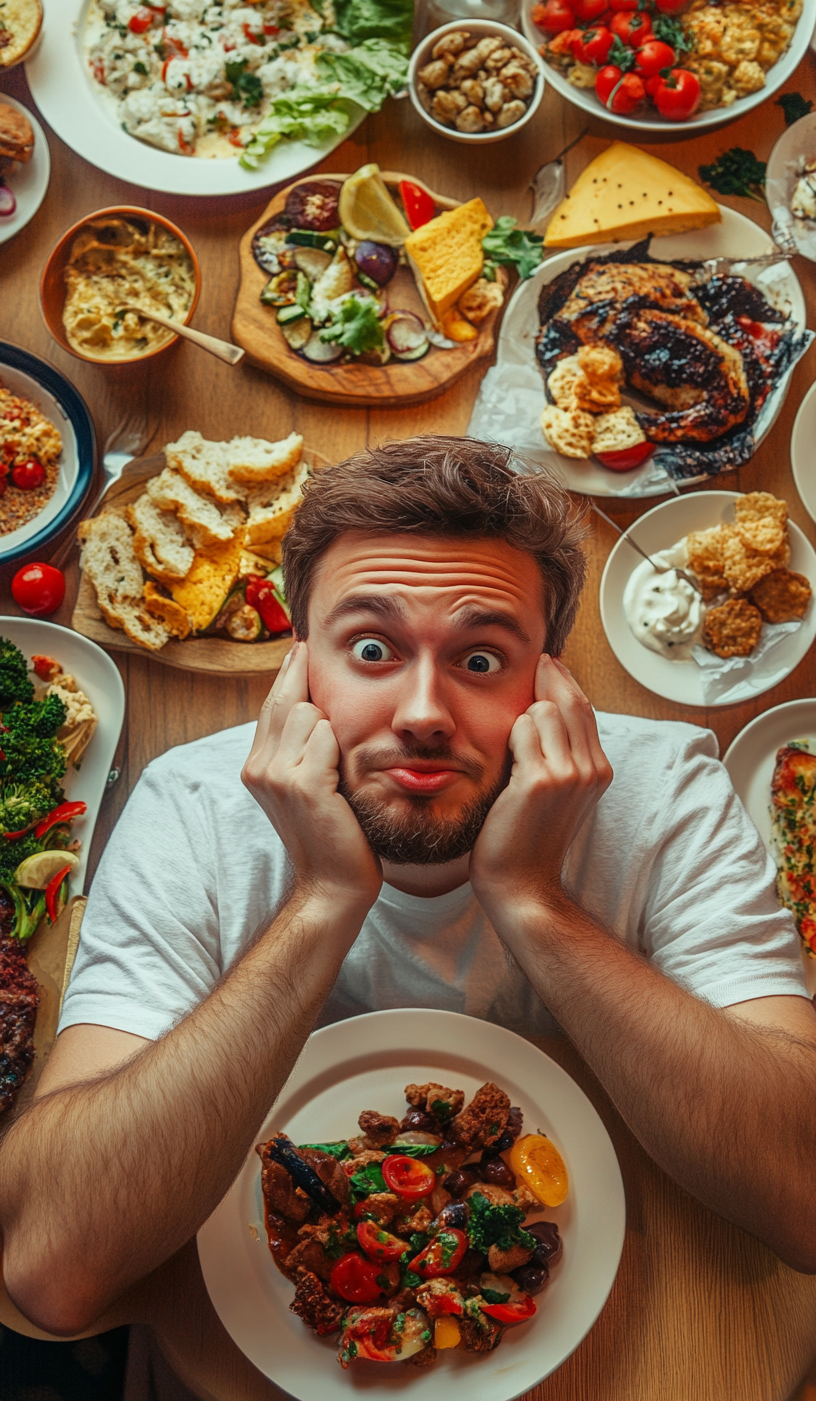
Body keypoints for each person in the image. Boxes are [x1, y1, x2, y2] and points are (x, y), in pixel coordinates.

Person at [1, 437, 815, 1341]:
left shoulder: (666, 791)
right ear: (297, 665)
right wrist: (320, 902)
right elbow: (52, 1265)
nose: (423, 713)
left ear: (553, 678)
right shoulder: (190, 810)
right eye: (373, 647)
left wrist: (533, 900)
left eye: (480, 660)